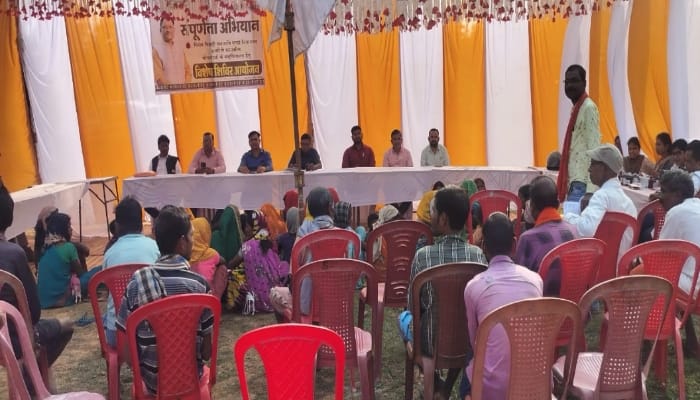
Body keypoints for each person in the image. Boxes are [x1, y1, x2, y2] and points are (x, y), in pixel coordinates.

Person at [116, 206, 214, 395]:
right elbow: (206, 352)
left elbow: (127, 354)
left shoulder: (137, 282)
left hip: (153, 384)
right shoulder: (200, 286)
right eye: (191, 236)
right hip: (191, 381)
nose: (193, 242)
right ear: (182, 242)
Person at [404, 186, 487, 398]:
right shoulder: (478, 256)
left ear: (442, 219)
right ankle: (446, 387)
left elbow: (412, 306)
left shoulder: (423, 256)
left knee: (404, 319)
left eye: (432, 211)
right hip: (467, 341)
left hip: (429, 344)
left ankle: (434, 381)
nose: (429, 215)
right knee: (460, 326)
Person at [461, 212, 543, 400]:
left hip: (491, 391)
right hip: (534, 384)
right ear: (514, 244)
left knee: (469, 363)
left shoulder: (474, 287)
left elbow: (475, 341)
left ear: (483, 247)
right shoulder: (535, 280)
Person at [0, 179, 74, 387]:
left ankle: (30, 377)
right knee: (65, 326)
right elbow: (33, 312)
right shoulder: (14, 254)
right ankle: (32, 380)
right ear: (9, 216)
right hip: (14, 338)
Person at [269, 187, 336, 321]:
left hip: (307, 306)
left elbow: (294, 270)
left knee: (274, 293)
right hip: (335, 302)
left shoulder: (304, 235)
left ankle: (292, 327)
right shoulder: (343, 236)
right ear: (330, 208)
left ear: (308, 209)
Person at [102, 197, 160, 347]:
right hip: (152, 331)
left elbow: (109, 291)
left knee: (106, 318)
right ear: (141, 223)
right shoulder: (155, 247)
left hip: (118, 335)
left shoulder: (110, 254)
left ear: (117, 226)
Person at [653, 171, 700, 355]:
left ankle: (644, 339)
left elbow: (658, 253)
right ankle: (691, 341)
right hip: (694, 285)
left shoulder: (677, 212)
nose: (660, 196)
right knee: (677, 272)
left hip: (693, 290)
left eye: (664, 191)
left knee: (640, 277)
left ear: (678, 194)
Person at [514, 176, 577, 296]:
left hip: (541, 305)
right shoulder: (573, 231)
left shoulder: (528, 239)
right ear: (557, 204)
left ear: (532, 207)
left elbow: (519, 283)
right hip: (572, 304)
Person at [564, 144, 636, 248]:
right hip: (621, 258)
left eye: (593, 164)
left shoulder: (602, 196)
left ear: (605, 168)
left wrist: (567, 218)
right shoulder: (630, 204)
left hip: (599, 257)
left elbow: (586, 229)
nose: (589, 169)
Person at [557, 64, 601, 203]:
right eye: (567, 82)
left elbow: (594, 148)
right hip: (574, 181)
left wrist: (591, 191)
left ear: (584, 83)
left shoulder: (588, 108)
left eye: (574, 81)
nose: (570, 85)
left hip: (582, 184)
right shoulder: (577, 109)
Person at [37, 212, 88, 309]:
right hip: (63, 299)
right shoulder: (69, 247)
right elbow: (81, 273)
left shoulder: (44, 248)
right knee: (96, 271)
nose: (71, 229)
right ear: (62, 229)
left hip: (44, 301)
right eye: (69, 227)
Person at [189, 218, 228, 300]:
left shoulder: (187, 254)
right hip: (209, 297)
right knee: (222, 268)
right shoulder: (210, 253)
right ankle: (216, 299)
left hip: (192, 297)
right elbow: (223, 261)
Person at [382, 129, 414, 217]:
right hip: (391, 184)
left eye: (399, 139)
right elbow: (385, 172)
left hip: (405, 184)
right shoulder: (387, 154)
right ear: (391, 141)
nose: (397, 141)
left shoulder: (407, 153)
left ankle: (399, 215)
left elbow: (410, 170)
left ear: (402, 140)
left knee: (412, 189)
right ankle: (397, 215)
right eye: (395, 139)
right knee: (386, 188)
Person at [152, 18, 191, 87]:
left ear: (174, 30)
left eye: (170, 27)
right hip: (168, 91)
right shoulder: (156, 50)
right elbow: (159, 78)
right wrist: (173, 90)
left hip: (183, 90)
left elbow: (188, 71)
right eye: (164, 27)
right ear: (160, 30)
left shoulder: (180, 49)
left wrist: (185, 87)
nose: (168, 30)